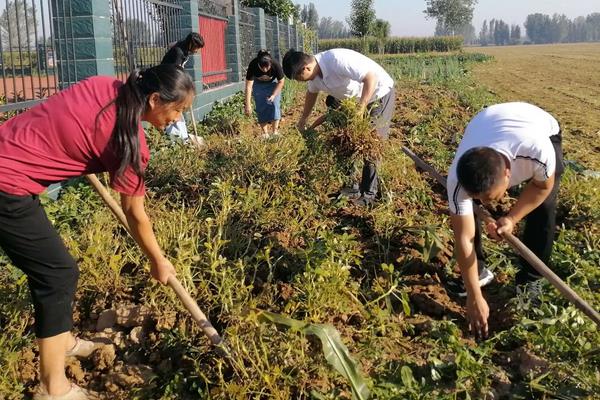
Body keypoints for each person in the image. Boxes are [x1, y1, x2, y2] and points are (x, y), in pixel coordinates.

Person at [0, 64, 194, 399]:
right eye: (177, 110)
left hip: (8, 158)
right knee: (57, 275)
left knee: (52, 269)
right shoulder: (131, 146)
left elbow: (64, 118)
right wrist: (158, 261)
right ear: (153, 99)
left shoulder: (103, 85)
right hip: (7, 186)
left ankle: (62, 341)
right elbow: (136, 214)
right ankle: (54, 387)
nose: (177, 119)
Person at [447, 102, 564, 339]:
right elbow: (464, 237)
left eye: (490, 197)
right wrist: (473, 295)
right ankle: (478, 273)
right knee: (466, 211)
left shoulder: (538, 153)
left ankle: (530, 280)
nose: (486, 204)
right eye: (476, 197)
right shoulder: (457, 182)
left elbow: (541, 188)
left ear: (508, 175)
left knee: (545, 207)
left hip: (541, 124)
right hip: (485, 122)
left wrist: (511, 217)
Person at [282, 48, 395, 206]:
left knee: (370, 143)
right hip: (353, 101)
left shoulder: (336, 60)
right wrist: (303, 120)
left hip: (378, 94)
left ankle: (369, 194)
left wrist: (361, 108)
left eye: (299, 78)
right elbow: (311, 95)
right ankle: (351, 186)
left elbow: (371, 77)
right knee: (345, 140)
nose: (302, 82)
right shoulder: (314, 77)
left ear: (305, 68)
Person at [161, 32, 204, 143]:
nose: (197, 50)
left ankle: (184, 139)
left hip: (172, 82)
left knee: (178, 111)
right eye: (196, 47)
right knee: (172, 112)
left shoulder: (183, 48)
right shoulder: (178, 53)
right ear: (191, 44)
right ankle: (178, 140)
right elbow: (175, 73)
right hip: (167, 84)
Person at [244, 49, 285, 138]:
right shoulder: (253, 65)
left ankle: (275, 132)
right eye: (262, 67)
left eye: (267, 67)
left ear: (270, 63)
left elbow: (281, 82)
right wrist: (248, 104)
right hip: (258, 84)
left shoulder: (275, 64)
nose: (265, 70)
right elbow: (249, 86)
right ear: (258, 63)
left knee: (274, 104)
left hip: (273, 84)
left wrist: (274, 95)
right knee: (260, 105)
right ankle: (265, 133)